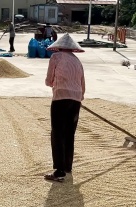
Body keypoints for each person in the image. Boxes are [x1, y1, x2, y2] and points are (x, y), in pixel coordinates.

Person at [43, 34, 85, 183]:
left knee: (57, 133)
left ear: (59, 46)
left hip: (61, 98)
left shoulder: (56, 57)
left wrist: (55, 84)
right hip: (76, 100)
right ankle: (67, 166)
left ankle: (59, 171)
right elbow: (82, 85)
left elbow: (48, 81)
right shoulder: (77, 61)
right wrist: (77, 97)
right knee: (69, 134)